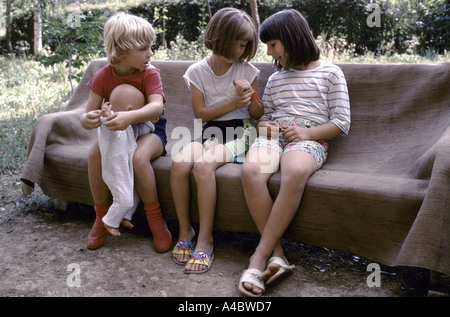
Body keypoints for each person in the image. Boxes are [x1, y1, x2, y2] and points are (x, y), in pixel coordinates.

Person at [238, 9, 351, 296]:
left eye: (272, 45)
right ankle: (278, 255)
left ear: (291, 39)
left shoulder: (330, 73)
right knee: (251, 170)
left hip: (309, 138)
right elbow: (267, 115)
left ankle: (258, 258)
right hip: (276, 137)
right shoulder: (276, 78)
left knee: (295, 170)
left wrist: (307, 134)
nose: (268, 53)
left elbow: (341, 121)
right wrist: (263, 123)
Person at [170, 7, 263, 274]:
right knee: (179, 162)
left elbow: (257, 114)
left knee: (202, 166)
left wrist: (250, 97)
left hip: (240, 131)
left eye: (246, 44)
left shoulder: (246, 69)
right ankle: (185, 230)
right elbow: (200, 113)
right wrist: (232, 101)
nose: (243, 48)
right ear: (222, 37)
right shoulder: (197, 71)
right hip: (210, 131)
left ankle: (206, 239)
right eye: (240, 42)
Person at [80, 12, 172, 252]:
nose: (150, 54)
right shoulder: (103, 76)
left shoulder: (150, 72)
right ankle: (101, 217)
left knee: (139, 158)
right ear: (120, 51)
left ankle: (155, 219)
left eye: (150, 47)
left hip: (150, 130)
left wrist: (129, 117)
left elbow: (157, 107)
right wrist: (90, 118)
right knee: (94, 155)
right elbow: (88, 115)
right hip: (118, 135)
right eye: (143, 49)